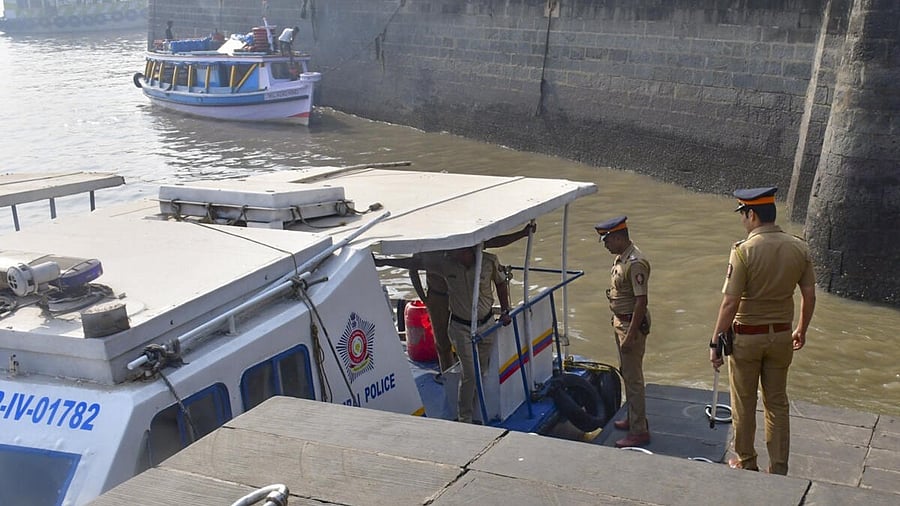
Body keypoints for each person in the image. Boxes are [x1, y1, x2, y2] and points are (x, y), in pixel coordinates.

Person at [710, 187, 816, 475]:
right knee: (777, 403)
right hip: (781, 336)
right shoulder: (799, 248)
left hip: (747, 337)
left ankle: (746, 461)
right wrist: (801, 329)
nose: (742, 220)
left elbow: (730, 302)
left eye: (743, 214)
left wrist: (715, 340)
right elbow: (809, 295)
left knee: (743, 403)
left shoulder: (743, 251)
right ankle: (779, 466)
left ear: (752, 214)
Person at [375, 245, 513, 424]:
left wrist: (505, 310)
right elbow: (415, 263)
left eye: (453, 250)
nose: (448, 253)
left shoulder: (489, 261)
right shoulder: (445, 264)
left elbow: (501, 283)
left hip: (486, 324)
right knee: (470, 373)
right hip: (460, 327)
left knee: (480, 370)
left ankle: (476, 409)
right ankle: (465, 418)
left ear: (466, 250)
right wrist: (383, 261)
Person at [408, 224, 535, 383]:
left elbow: (492, 242)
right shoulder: (426, 243)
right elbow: (412, 267)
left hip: (464, 295)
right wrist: (425, 298)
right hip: (439, 297)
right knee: (442, 342)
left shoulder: (460, 239)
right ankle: (448, 376)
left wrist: (522, 233)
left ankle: (474, 374)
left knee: (472, 337)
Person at [595, 216, 651, 448]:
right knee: (627, 373)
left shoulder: (635, 263)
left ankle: (639, 431)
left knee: (634, 378)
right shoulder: (622, 258)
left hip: (631, 326)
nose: (606, 246)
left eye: (607, 241)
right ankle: (633, 417)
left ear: (618, 238)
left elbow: (641, 302)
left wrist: (630, 336)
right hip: (621, 322)